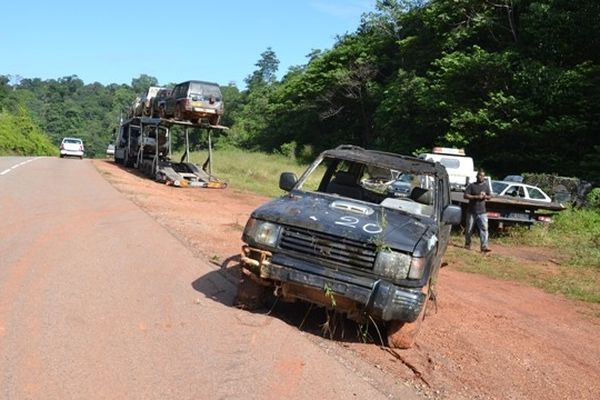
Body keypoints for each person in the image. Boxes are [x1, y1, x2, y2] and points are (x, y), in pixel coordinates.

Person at [464, 170, 492, 252]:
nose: (481, 177)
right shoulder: (472, 186)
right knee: (469, 229)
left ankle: (484, 247)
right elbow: (465, 195)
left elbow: (490, 196)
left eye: (483, 176)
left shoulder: (486, 186)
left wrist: (485, 196)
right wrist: (476, 197)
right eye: (480, 175)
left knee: (484, 229)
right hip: (471, 211)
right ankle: (467, 244)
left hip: (482, 212)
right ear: (476, 176)